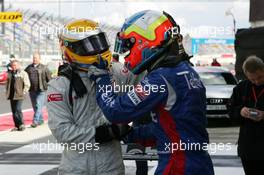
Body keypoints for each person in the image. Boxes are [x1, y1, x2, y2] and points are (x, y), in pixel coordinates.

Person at [88, 10, 214, 175]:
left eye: (128, 46)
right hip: (198, 164)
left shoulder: (161, 78)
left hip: (177, 167)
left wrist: (102, 79)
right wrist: (130, 133)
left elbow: (115, 111)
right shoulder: (186, 71)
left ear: (145, 41)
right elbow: (176, 129)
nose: (126, 55)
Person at [47, 19, 133, 175]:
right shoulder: (60, 84)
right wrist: (103, 134)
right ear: (71, 48)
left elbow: (151, 85)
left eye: (100, 42)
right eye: (90, 45)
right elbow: (62, 132)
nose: (98, 50)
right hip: (75, 168)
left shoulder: (118, 72)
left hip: (111, 166)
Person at [229, 55, 264, 175]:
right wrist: (240, 111)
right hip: (248, 147)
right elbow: (230, 111)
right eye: (253, 79)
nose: (257, 81)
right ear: (246, 76)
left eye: (260, 77)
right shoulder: (241, 88)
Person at [25, 52, 52, 128]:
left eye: (36, 58)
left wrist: (50, 87)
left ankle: (35, 121)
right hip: (32, 90)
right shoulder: (28, 68)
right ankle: (41, 120)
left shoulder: (44, 67)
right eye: (33, 58)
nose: (34, 59)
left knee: (38, 105)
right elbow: (24, 77)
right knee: (35, 106)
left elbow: (49, 79)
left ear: (39, 59)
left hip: (41, 90)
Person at [6, 60, 30, 131]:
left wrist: (24, 92)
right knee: (14, 111)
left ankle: (21, 124)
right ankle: (16, 125)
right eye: (12, 65)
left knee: (18, 109)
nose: (14, 67)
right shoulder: (9, 74)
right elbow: (7, 83)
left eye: (15, 65)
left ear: (18, 65)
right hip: (12, 95)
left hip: (19, 95)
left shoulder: (23, 73)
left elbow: (27, 84)